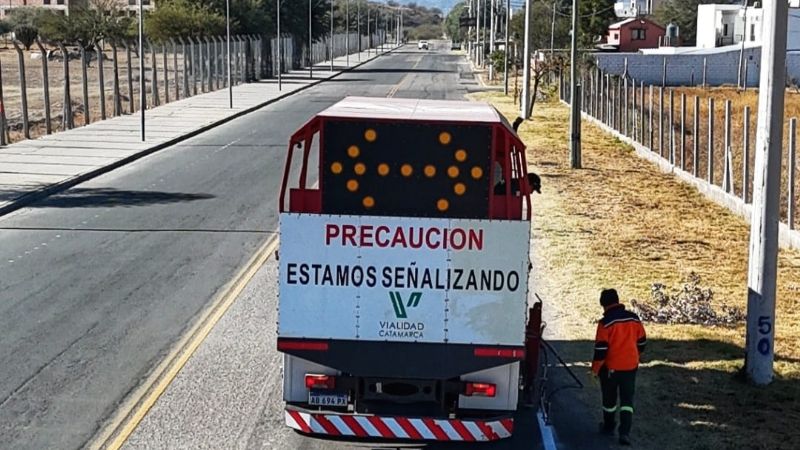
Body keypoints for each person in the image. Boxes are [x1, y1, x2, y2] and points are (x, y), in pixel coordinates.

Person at [591, 289, 647, 446]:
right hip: (630, 367)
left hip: (610, 369)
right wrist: (635, 354)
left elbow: (601, 350)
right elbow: (642, 342)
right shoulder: (634, 319)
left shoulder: (605, 323)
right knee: (627, 401)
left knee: (609, 401)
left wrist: (595, 370)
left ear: (603, 304)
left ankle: (609, 427)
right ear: (617, 300)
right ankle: (625, 433)